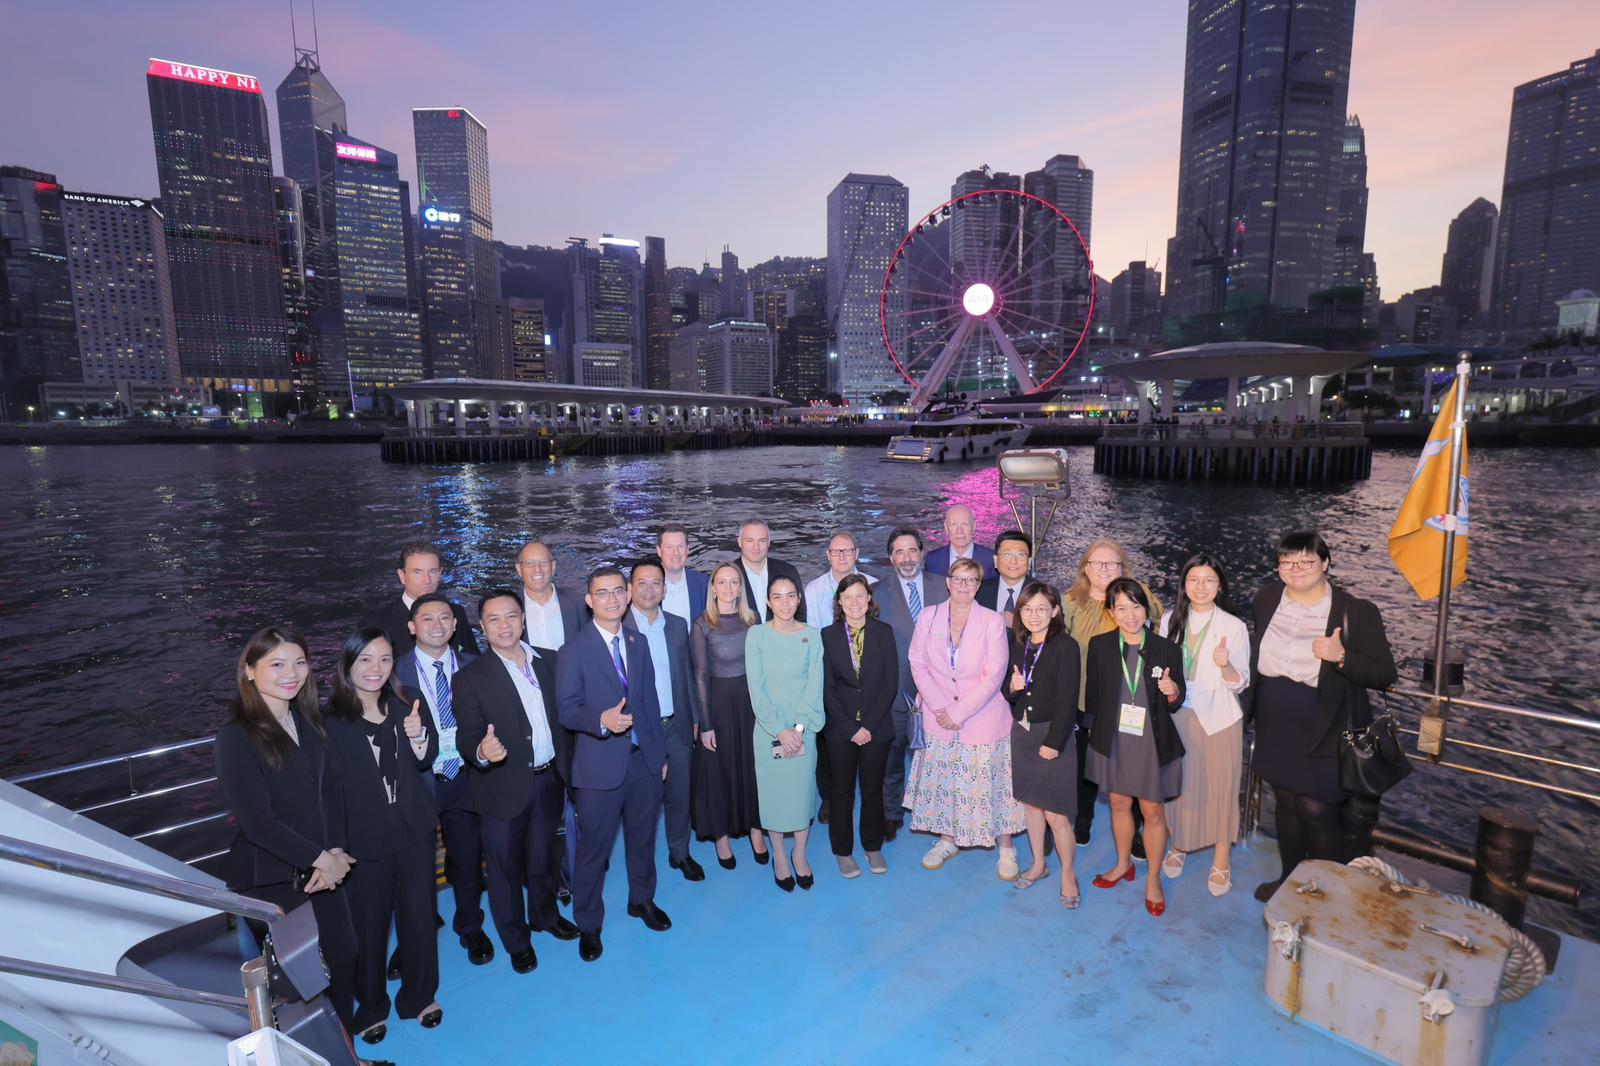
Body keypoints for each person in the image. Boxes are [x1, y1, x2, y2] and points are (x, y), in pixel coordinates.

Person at [213, 626, 357, 1030]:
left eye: (298, 662)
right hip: (275, 878)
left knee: (344, 960)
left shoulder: (307, 722)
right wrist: (319, 860)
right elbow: (258, 823)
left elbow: (331, 794)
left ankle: (344, 1055)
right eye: (276, 664)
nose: (290, 673)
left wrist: (338, 853)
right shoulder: (236, 739)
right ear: (249, 671)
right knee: (300, 982)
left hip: (323, 866)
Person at [1249, 531, 1397, 902]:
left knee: (1316, 808)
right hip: (1275, 717)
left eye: (1306, 562)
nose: (1295, 569)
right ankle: (1289, 877)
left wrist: (1340, 657)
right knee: (1284, 801)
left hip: (1325, 723)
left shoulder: (1355, 611)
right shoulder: (1266, 599)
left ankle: (1325, 893)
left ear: (1325, 564)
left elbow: (1384, 674)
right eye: (1287, 562)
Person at [452, 590, 580, 975]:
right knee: (505, 870)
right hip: (501, 788)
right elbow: (467, 735)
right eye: (494, 619)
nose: (504, 625)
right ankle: (516, 940)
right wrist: (481, 750)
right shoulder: (470, 677)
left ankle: (545, 916)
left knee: (542, 860)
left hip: (549, 780)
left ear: (523, 620)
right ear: (482, 627)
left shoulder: (551, 661)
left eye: (511, 616)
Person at [324, 629, 441, 1044]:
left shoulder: (407, 700)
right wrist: (334, 844)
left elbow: (427, 758)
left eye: (385, 659)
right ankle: (371, 1004)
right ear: (349, 665)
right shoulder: (330, 721)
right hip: (362, 837)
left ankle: (419, 995)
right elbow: (328, 791)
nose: (376, 669)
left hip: (413, 826)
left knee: (419, 917)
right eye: (366, 660)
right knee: (369, 926)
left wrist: (417, 736)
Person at [557, 566, 671, 963]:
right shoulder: (573, 652)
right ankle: (589, 923)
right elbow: (567, 711)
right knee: (593, 851)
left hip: (643, 763)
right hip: (599, 768)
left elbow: (650, 702)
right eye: (602, 593)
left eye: (618, 591)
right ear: (590, 601)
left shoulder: (637, 643)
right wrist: (600, 722)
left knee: (642, 840)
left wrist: (659, 756)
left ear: (627, 596)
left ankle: (642, 900)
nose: (612, 599)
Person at [904, 556, 1025, 876]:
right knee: (947, 780)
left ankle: (1006, 847)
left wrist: (959, 711)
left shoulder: (991, 621)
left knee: (992, 783)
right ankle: (948, 838)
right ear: (948, 582)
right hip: (937, 716)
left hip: (982, 717)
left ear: (978, 585)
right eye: (958, 578)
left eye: (971, 580)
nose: (964, 585)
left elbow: (995, 671)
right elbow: (917, 663)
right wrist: (940, 706)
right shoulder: (928, 617)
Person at [392, 593, 492, 966]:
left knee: (467, 860)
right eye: (427, 619)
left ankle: (470, 926)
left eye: (444, 618)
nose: (437, 625)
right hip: (416, 781)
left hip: (465, 776)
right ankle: (413, 938)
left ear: (454, 625)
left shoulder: (475, 665)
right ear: (412, 627)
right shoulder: (392, 674)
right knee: (412, 868)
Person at [1084, 578, 1186, 918]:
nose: (1130, 615)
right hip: (1114, 739)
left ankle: (1153, 879)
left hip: (1150, 742)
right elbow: (1095, 699)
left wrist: (1172, 690)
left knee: (1152, 811)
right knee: (1117, 803)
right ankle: (1123, 863)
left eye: (1136, 606)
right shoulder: (1099, 646)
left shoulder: (1166, 649)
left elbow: (1175, 701)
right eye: (1121, 608)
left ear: (1146, 608)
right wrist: (1093, 736)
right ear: (1111, 612)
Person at [1157, 554, 1250, 898]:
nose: (1200, 587)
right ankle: (1180, 843)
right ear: (1183, 584)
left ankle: (1221, 856)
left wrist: (1225, 666)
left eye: (1208, 580)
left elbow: (1240, 682)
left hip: (1219, 718)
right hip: (1178, 712)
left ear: (1220, 586)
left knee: (1220, 787)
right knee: (1180, 785)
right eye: (1194, 580)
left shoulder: (1233, 627)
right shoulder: (1169, 621)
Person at [1062, 538, 1163, 849]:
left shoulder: (1135, 595)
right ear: (1086, 568)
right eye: (1097, 563)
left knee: (1129, 766)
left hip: (1129, 700)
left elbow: (1159, 624)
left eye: (1112, 564)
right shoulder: (1069, 602)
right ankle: (1083, 818)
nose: (1104, 569)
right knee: (1084, 765)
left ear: (1123, 568)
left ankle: (1134, 833)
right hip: (1082, 699)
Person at [623, 555, 704, 881]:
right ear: (630, 589)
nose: (649, 589)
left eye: (656, 582)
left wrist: (695, 717)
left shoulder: (676, 625)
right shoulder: (619, 628)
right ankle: (641, 872)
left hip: (677, 726)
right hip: (641, 731)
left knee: (680, 796)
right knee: (642, 806)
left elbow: (686, 675)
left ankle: (680, 852)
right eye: (642, 582)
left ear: (664, 588)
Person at [1004, 582, 1082, 908]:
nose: (1034, 615)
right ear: (1019, 613)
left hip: (1053, 737)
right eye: (1027, 609)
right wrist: (1013, 688)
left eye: (1041, 609)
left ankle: (1068, 874)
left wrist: (1055, 742)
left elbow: (1068, 700)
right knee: (1031, 806)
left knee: (1057, 814)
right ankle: (1039, 863)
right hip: (1022, 734)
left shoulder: (1066, 646)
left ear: (1054, 611)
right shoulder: (1019, 645)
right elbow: (1011, 695)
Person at [745, 574, 826, 890]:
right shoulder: (757, 636)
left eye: (790, 595)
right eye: (777, 596)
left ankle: (800, 854)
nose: (784, 602)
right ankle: (779, 854)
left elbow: (814, 685)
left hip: (804, 729)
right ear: (768, 602)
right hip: (768, 730)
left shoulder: (812, 636)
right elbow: (757, 687)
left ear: (798, 599)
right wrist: (780, 729)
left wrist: (799, 728)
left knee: (802, 793)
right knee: (775, 796)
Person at [689, 563, 770, 866]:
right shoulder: (703, 624)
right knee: (719, 770)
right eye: (721, 582)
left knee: (752, 767)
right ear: (713, 587)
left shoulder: (753, 619)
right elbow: (700, 674)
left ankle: (755, 828)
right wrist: (706, 724)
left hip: (751, 705)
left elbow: (763, 668)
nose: (727, 587)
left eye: (733, 582)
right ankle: (721, 835)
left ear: (740, 587)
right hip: (719, 705)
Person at [871, 528, 949, 841]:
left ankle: (933, 811)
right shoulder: (876, 593)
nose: (906, 558)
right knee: (893, 754)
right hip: (895, 690)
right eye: (899, 552)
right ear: (891, 558)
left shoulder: (943, 588)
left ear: (921, 553)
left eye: (912, 551)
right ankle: (892, 813)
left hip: (938, 692)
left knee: (936, 755)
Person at [819, 574, 897, 878]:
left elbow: (890, 684)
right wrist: (851, 727)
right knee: (842, 792)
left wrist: (869, 725)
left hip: (877, 727)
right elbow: (827, 688)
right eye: (848, 597)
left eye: (860, 596)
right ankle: (843, 850)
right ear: (839, 601)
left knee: (872, 788)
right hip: (841, 730)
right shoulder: (827, 636)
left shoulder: (884, 633)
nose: (854, 603)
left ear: (869, 600)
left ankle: (872, 845)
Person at [365, 541, 479, 659]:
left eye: (433, 571)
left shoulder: (457, 613)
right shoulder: (376, 623)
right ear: (402, 576)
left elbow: (474, 663)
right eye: (417, 572)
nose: (427, 580)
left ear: (440, 574)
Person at [514, 540, 587, 651]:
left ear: (552, 567)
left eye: (543, 562)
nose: (537, 569)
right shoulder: (510, 608)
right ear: (519, 569)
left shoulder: (580, 604)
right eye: (529, 563)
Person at [736, 518, 807, 622]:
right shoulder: (728, 574)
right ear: (739, 542)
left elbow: (800, 614)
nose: (756, 547)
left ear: (769, 543)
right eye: (750, 540)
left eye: (762, 540)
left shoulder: (787, 571)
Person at [804, 530, 878, 626]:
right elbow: (811, 630)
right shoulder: (813, 589)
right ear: (828, 555)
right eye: (835, 551)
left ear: (856, 554)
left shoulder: (874, 585)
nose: (841, 557)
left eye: (847, 551)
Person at [978, 530, 1042, 626]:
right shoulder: (979, 591)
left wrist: (1019, 626)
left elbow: (1055, 635)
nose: (1013, 561)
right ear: (995, 561)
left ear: (1029, 562)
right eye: (1007, 555)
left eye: (1020, 555)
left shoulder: (1043, 593)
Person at [923, 504, 996, 578]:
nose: (959, 531)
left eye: (965, 524)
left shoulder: (990, 559)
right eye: (954, 524)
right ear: (946, 528)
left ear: (974, 527)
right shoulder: (933, 559)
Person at [656, 523, 709, 623]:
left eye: (680, 546)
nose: (676, 553)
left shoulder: (704, 583)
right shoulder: (644, 586)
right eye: (669, 547)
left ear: (688, 549)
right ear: (659, 551)